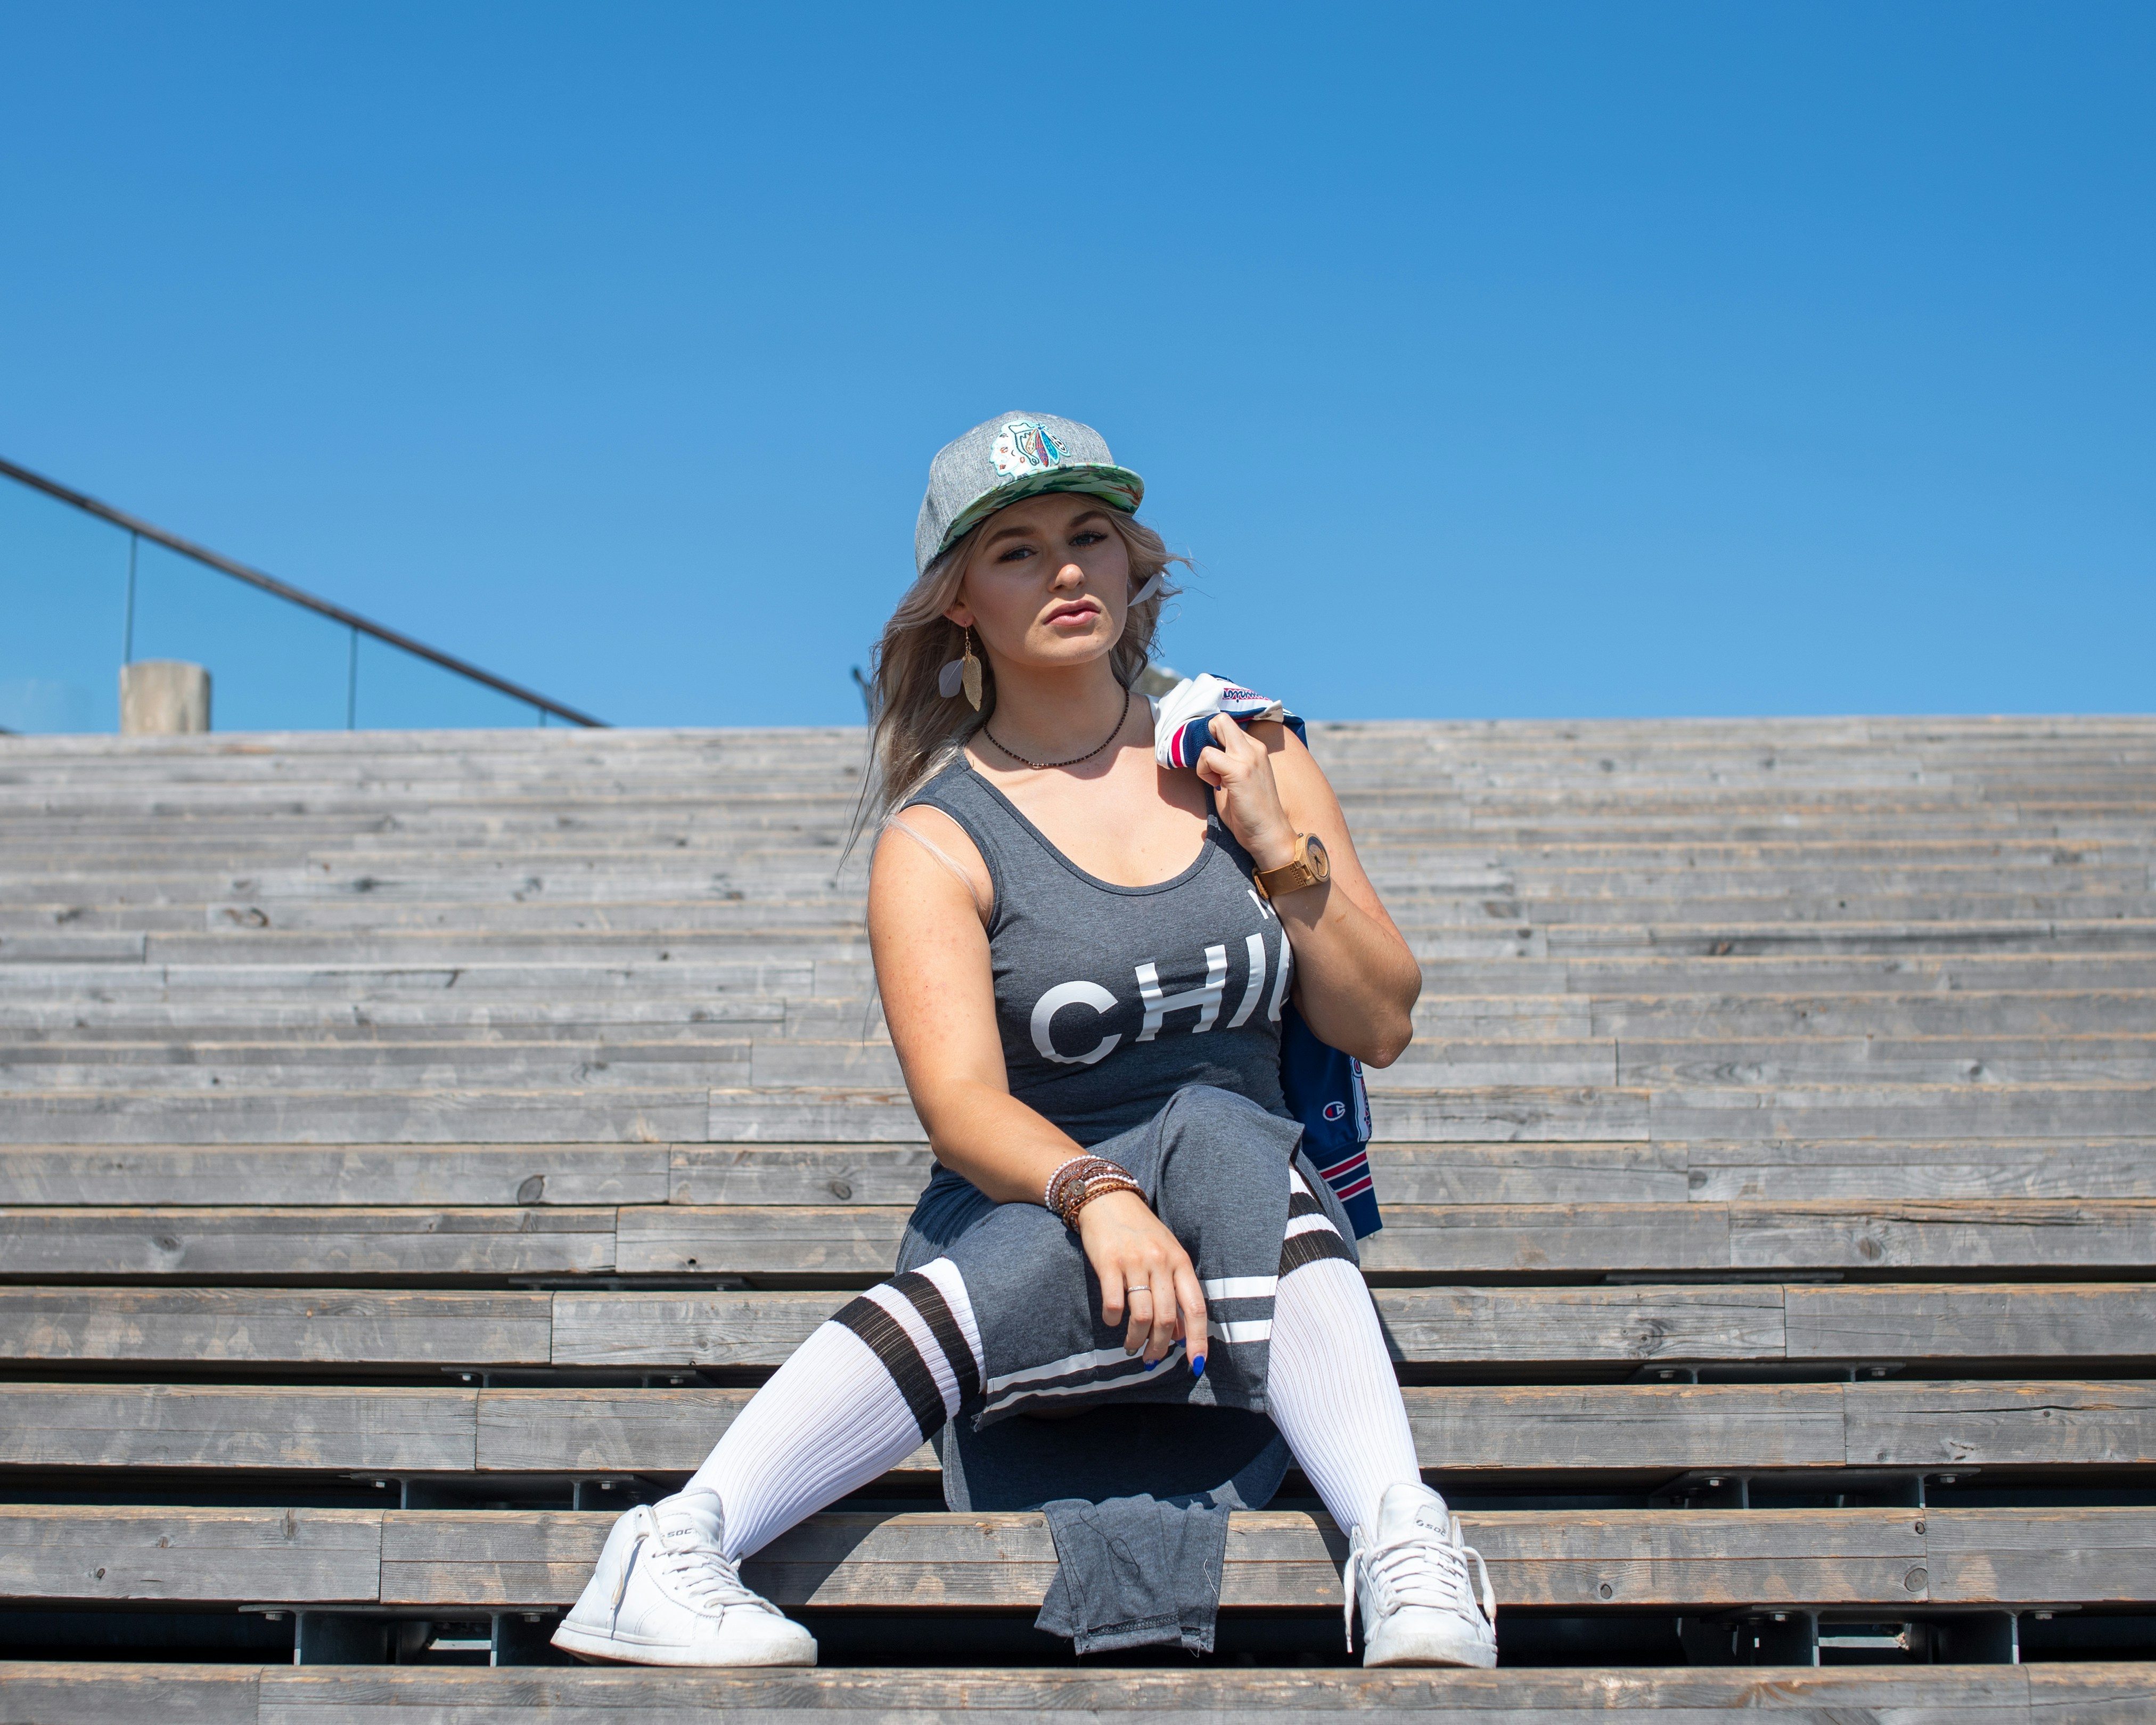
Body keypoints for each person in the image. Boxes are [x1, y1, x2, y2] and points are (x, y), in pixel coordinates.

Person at [552, 412, 1499, 1670]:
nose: (1065, 570)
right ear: (958, 603)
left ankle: (1402, 1541)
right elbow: (963, 1110)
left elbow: (1379, 1022)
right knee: (1091, 1201)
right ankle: (676, 1544)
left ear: (1133, 566)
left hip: (1247, 1275)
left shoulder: (1244, 748)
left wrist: (1275, 844)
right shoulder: (938, 838)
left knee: (1222, 1127)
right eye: (1017, 549)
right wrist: (1100, 1193)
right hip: (1034, 1242)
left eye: (1090, 536)